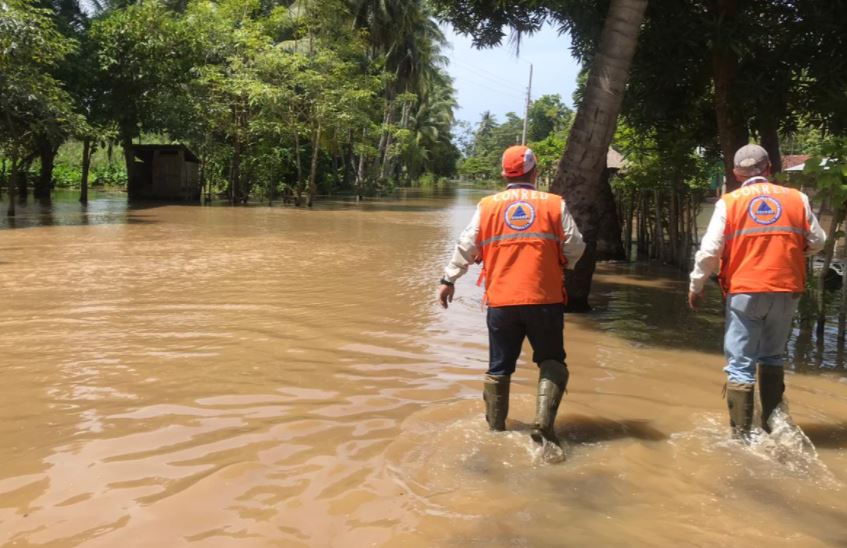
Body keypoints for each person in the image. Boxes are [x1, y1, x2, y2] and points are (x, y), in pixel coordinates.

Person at [438, 145, 585, 445]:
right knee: (551, 361)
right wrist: (561, 261)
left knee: (499, 368)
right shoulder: (554, 204)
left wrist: (448, 279)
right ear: (535, 172)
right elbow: (576, 245)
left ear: (504, 174)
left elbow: (466, 245)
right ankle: (543, 428)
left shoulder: (487, 206)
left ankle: (495, 433)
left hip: (502, 301)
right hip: (545, 299)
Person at [689, 144, 826, 439]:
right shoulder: (797, 198)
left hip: (745, 290)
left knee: (740, 364)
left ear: (737, 173)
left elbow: (710, 251)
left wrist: (696, 286)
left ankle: (741, 438)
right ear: (769, 169)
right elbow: (818, 241)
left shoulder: (730, 202)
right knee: (773, 356)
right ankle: (773, 424)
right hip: (787, 289)